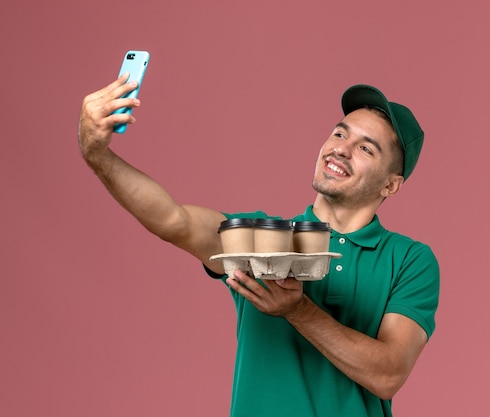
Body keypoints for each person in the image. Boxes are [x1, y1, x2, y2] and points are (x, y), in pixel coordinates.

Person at [78, 74, 440, 417]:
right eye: (339, 133)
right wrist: (98, 155)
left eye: (365, 148)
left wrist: (297, 310)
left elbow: (388, 375)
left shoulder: (410, 260)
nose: (340, 150)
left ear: (390, 186)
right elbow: (172, 219)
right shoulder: (257, 238)